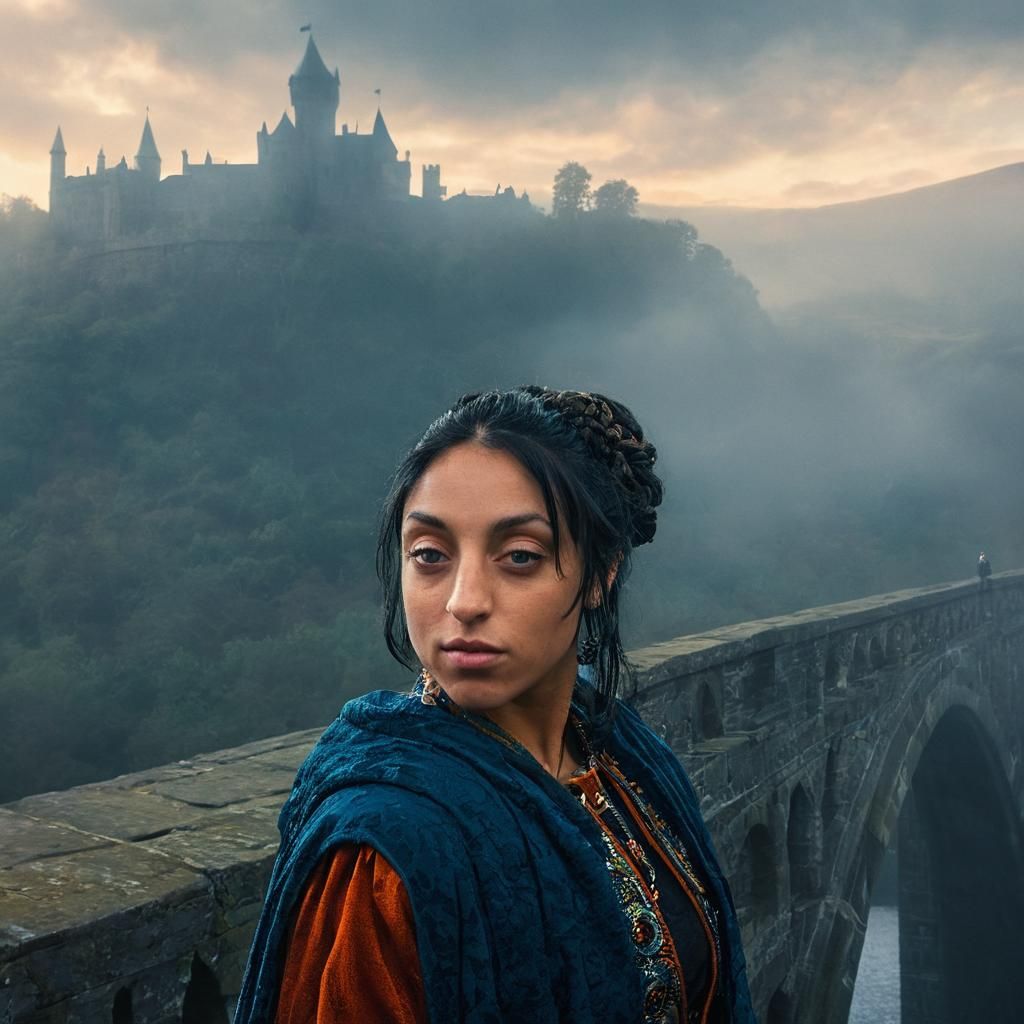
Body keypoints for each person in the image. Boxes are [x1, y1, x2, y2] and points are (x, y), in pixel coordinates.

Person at [235, 387, 756, 1024]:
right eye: (429, 555)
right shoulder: (387, 856)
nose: (464, 601)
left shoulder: (627, 763)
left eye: (518, 557)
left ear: (601, 572)